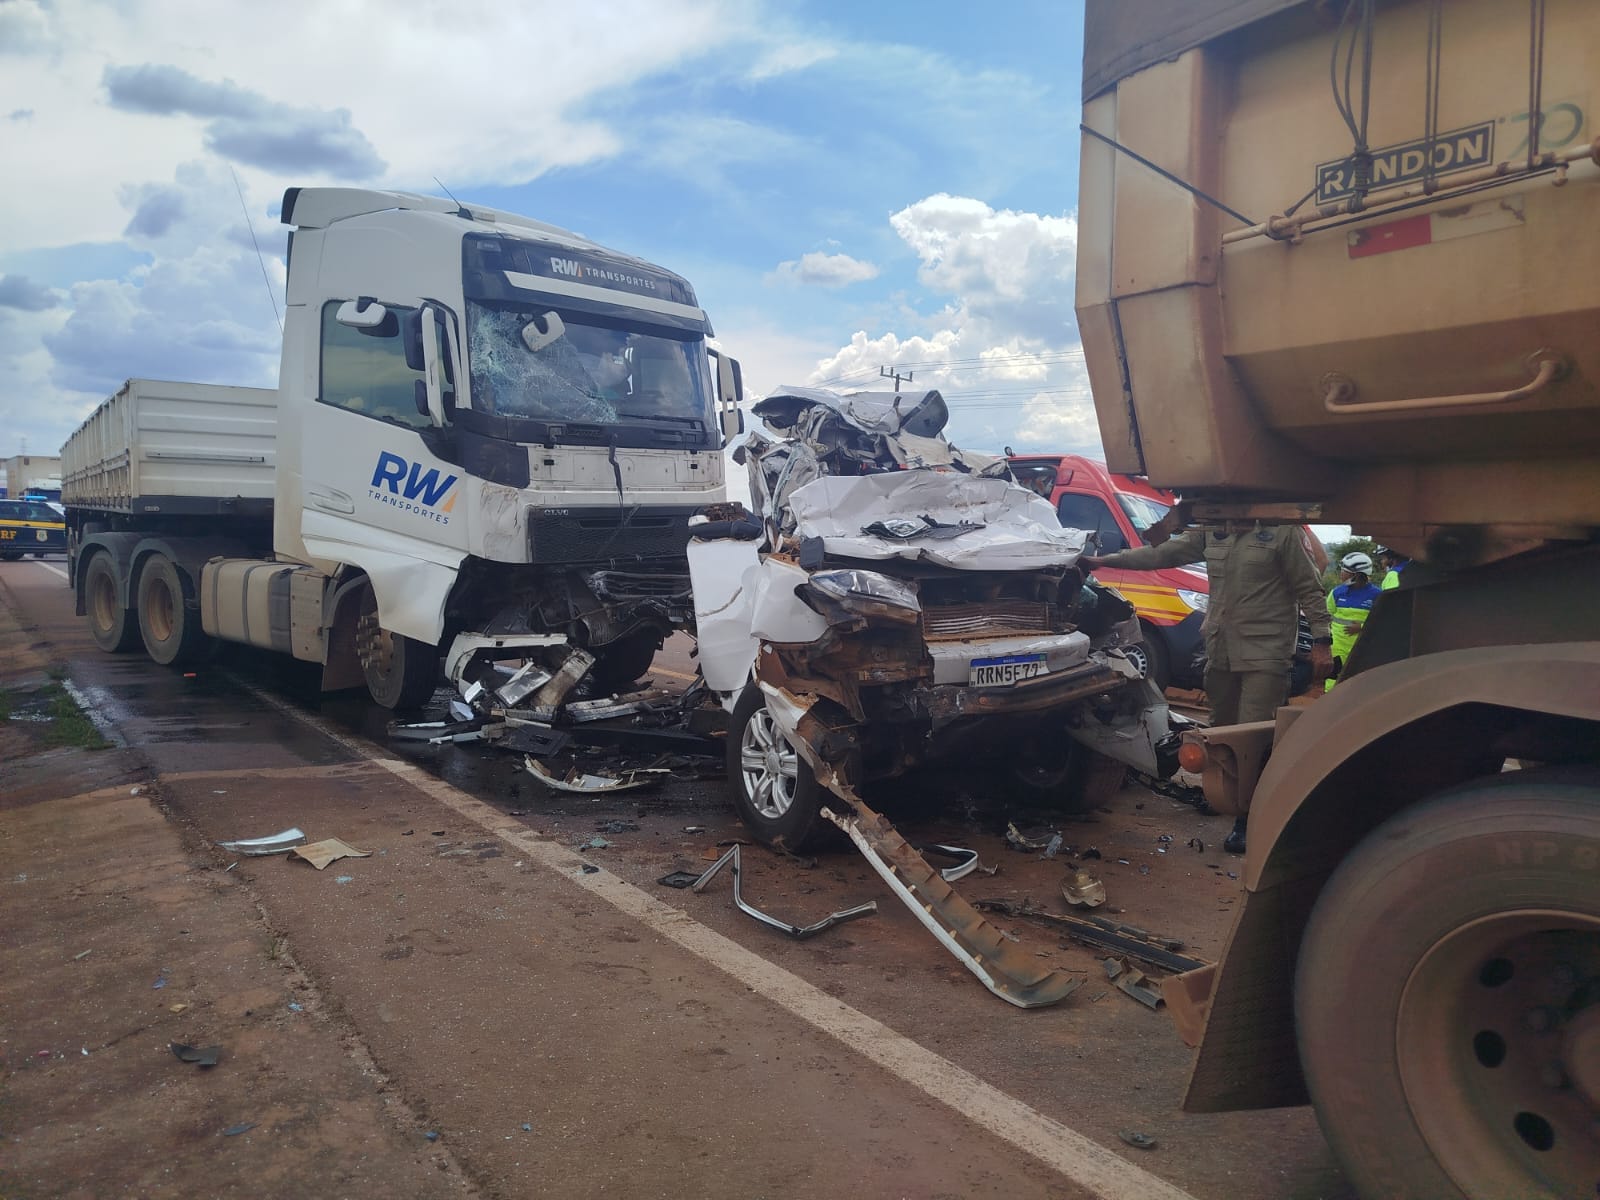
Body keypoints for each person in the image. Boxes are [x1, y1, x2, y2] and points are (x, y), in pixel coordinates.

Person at [1083, 516, 1333, 854]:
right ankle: (1224, 796)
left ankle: (1248, 819)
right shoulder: (1214, 529)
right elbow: (1162, 554)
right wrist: (1103, 562)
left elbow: (1309, 587)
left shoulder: (1282, 531)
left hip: (1265, 652)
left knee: (1253, 736)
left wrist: (1322, 640)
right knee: (1221, 731)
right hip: (1220, 649)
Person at [1325, 551, 1381, 691]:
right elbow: (1326, 615)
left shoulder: (1377, 595)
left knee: (1360, 686)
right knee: (1332, 683)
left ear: (1356, 575)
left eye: (1345, 571)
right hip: (1338, 648)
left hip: (1361, 649)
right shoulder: (1337, 593)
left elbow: (1383, 622)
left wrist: (1362, 627)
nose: (1341, 574)